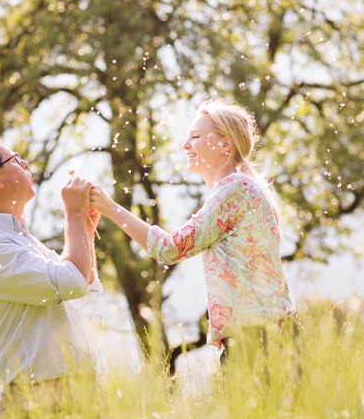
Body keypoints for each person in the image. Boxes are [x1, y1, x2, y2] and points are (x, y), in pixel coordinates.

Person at [88, 100, 297, 360]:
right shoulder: (238, 189)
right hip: (263, 334)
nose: (185, 145)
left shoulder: (236, 188)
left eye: (195, 137)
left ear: (225, 144)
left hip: (257, 337)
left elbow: (170, 248)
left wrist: (110, 208)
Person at [0, 131, 102, 414]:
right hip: (40, 400)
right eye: (15, 159)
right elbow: (72, 282)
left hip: (77, 389)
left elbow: (81, 284)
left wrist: (85, 229)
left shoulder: (14, 235)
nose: (26, 163)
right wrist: (74, 216)